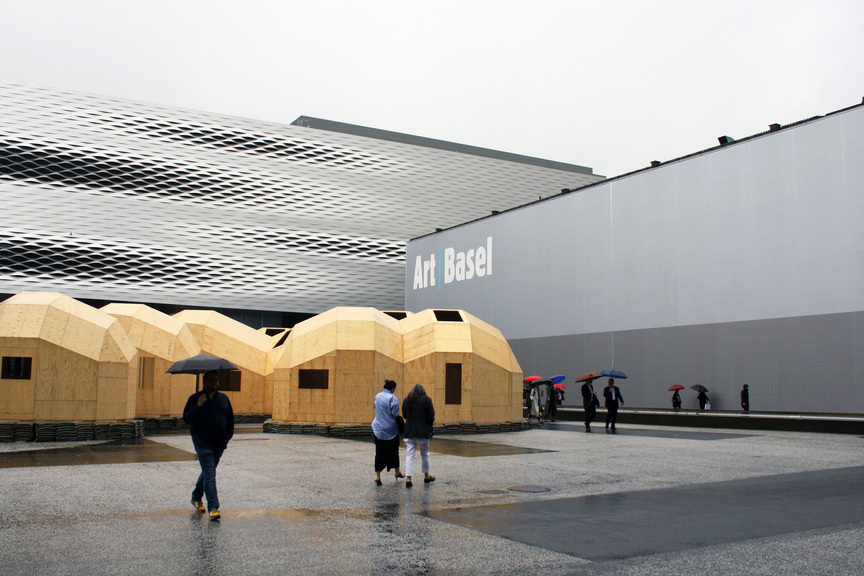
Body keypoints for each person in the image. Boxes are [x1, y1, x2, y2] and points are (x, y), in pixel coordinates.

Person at [183, 370, 234, 521]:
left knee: (207, 472)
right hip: (203, 443)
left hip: (218, 443)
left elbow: (230, 420)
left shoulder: (223, 399)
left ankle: (196, 496)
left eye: (216, 380)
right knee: (210, 474)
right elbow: (187, 418)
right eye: (211, 381)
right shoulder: (195, 398)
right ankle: (213, 507)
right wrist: (199, 406)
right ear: (205, 382)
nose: (215, 384)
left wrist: (226, 438)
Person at [402, 383, 435, 488]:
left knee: (410, 455)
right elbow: (431, 416)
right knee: (425, 454)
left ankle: (408, 478)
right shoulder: (427, 400)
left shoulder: (407, 400)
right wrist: (429, 426)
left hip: (410, 431)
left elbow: (405, 415)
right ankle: (426, 476)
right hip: (424, 432)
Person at [372, 379, 404, 486]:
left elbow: (375, 407)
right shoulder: (393, 398)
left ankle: (377, 476)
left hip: (378, 428)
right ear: (393, 388)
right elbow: (395, 414)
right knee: (394, 451)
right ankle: (397, 471)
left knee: (379, 452)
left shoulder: (377, 396)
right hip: (390, 430)